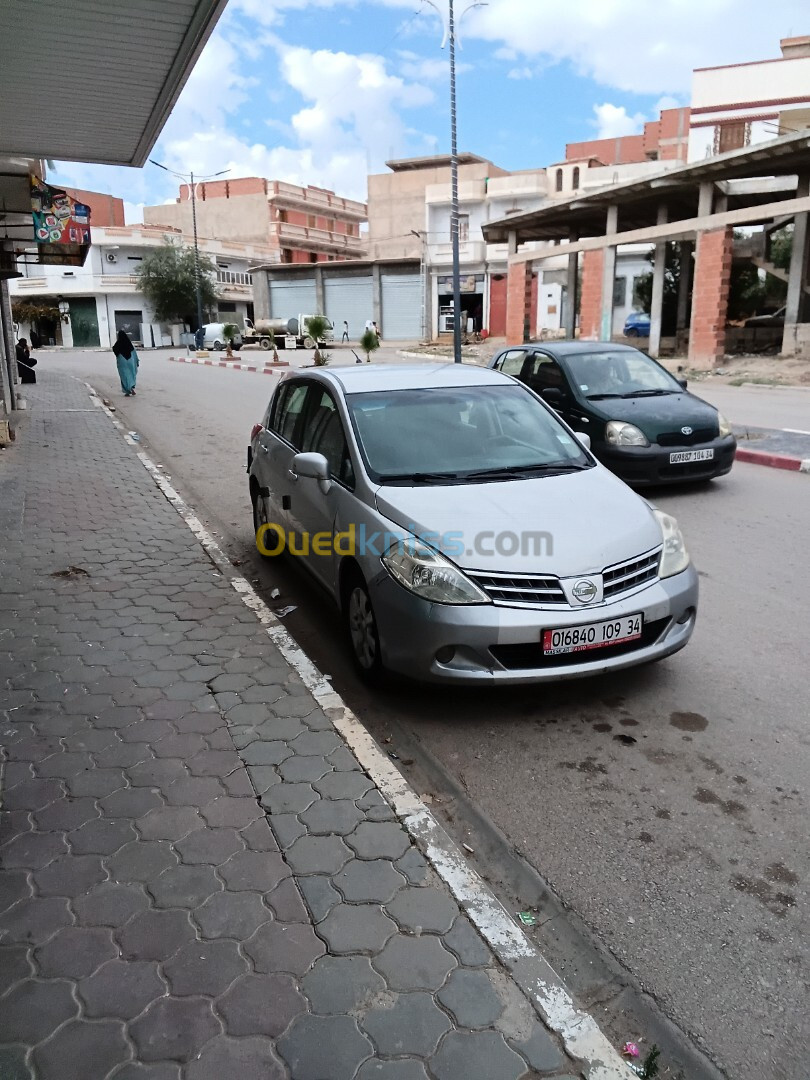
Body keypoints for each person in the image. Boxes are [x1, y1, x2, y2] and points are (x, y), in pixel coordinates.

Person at [112, 330, 139, 396]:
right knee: (131, 374)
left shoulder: (117, 344)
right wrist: (137, 361)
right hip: (130, 362)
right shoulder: (129, 344)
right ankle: (131, 386)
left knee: (124, 376)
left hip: (122, 362)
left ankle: (127, 390)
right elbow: (134, 354)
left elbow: (115, 350)